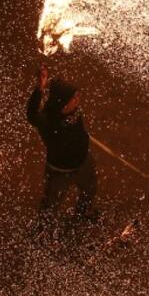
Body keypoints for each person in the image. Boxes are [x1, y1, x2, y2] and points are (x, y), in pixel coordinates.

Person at [27, 65, 98, 221]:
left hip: (83, 162)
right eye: (73, 98)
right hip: (60, 172)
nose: (77, 100)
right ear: (62, 102)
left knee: (89, 190)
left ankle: (82, 214)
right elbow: (32, 115)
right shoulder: (47, 120)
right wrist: (39, 89)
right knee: (51, 204)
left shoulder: (75, 109)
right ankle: (43, 229)